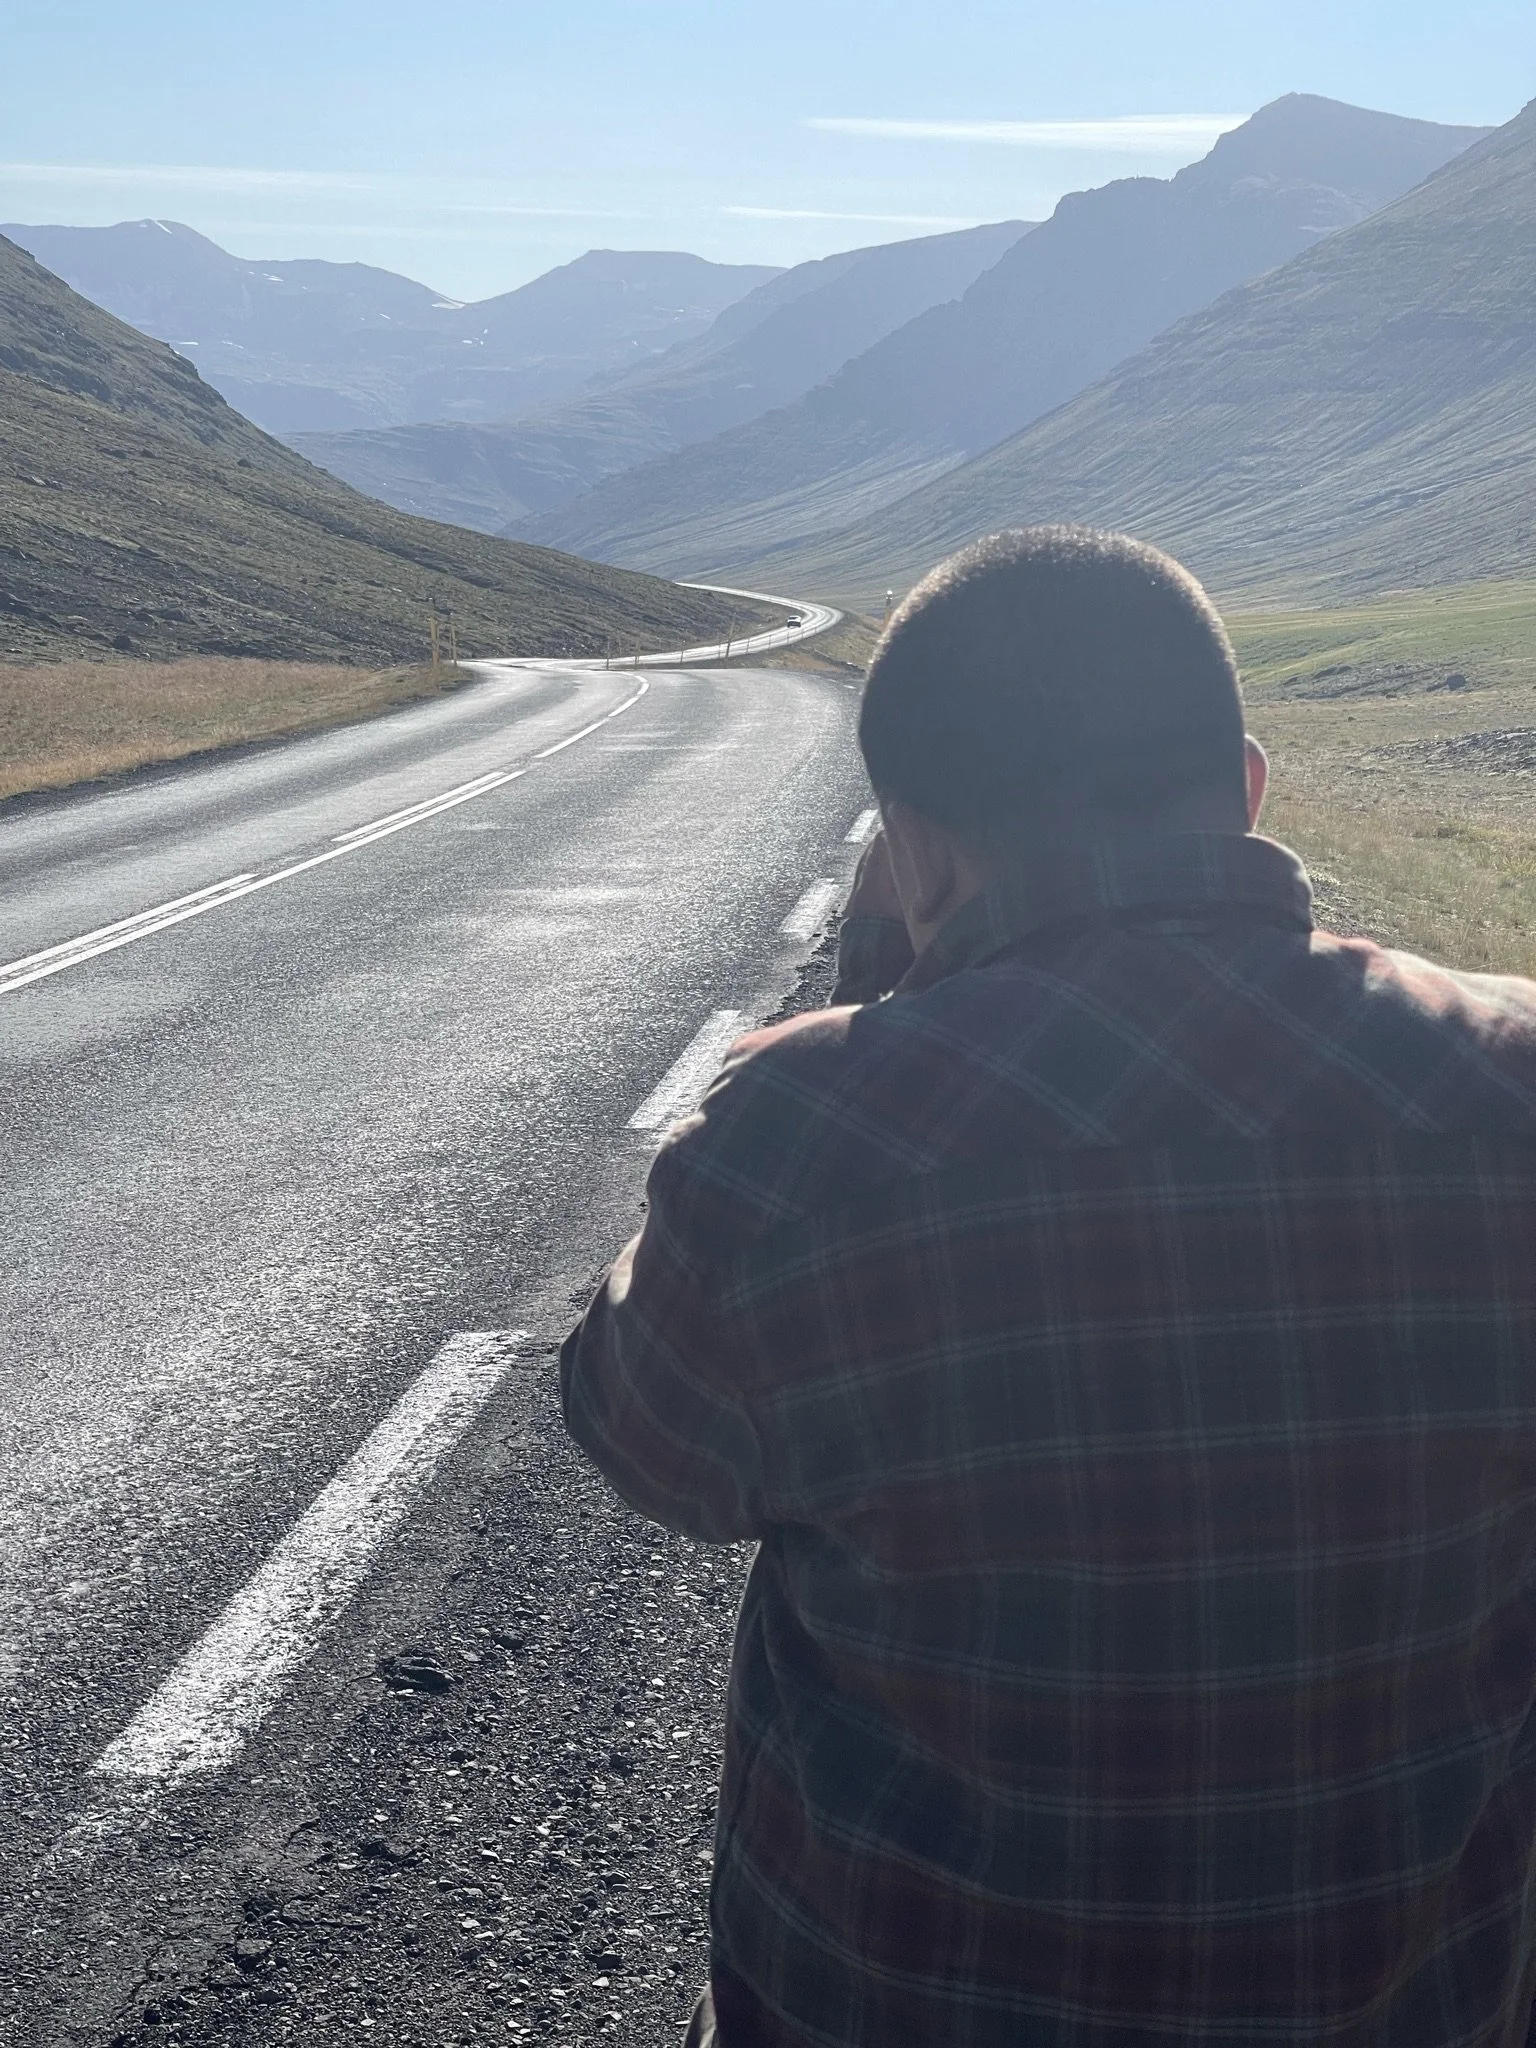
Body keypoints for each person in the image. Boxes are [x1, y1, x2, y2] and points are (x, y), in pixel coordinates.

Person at [560, 527, 1536, 2046]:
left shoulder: (799, 1143)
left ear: (916, 848)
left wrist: (865, 1015)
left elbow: (649, 1443)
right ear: (1251, 787)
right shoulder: (1509, 1083)